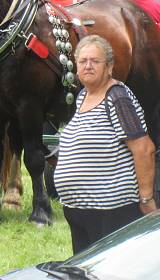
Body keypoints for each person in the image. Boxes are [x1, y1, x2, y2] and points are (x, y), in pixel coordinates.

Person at [54, 35, 157, 254]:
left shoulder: (117, 97)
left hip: (112, 212)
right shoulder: (82, 96)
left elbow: (144, 148)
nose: (88, 66)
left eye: (95, 61)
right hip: (79, 210)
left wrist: (146, 198)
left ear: (109, 67)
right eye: (83, 61)